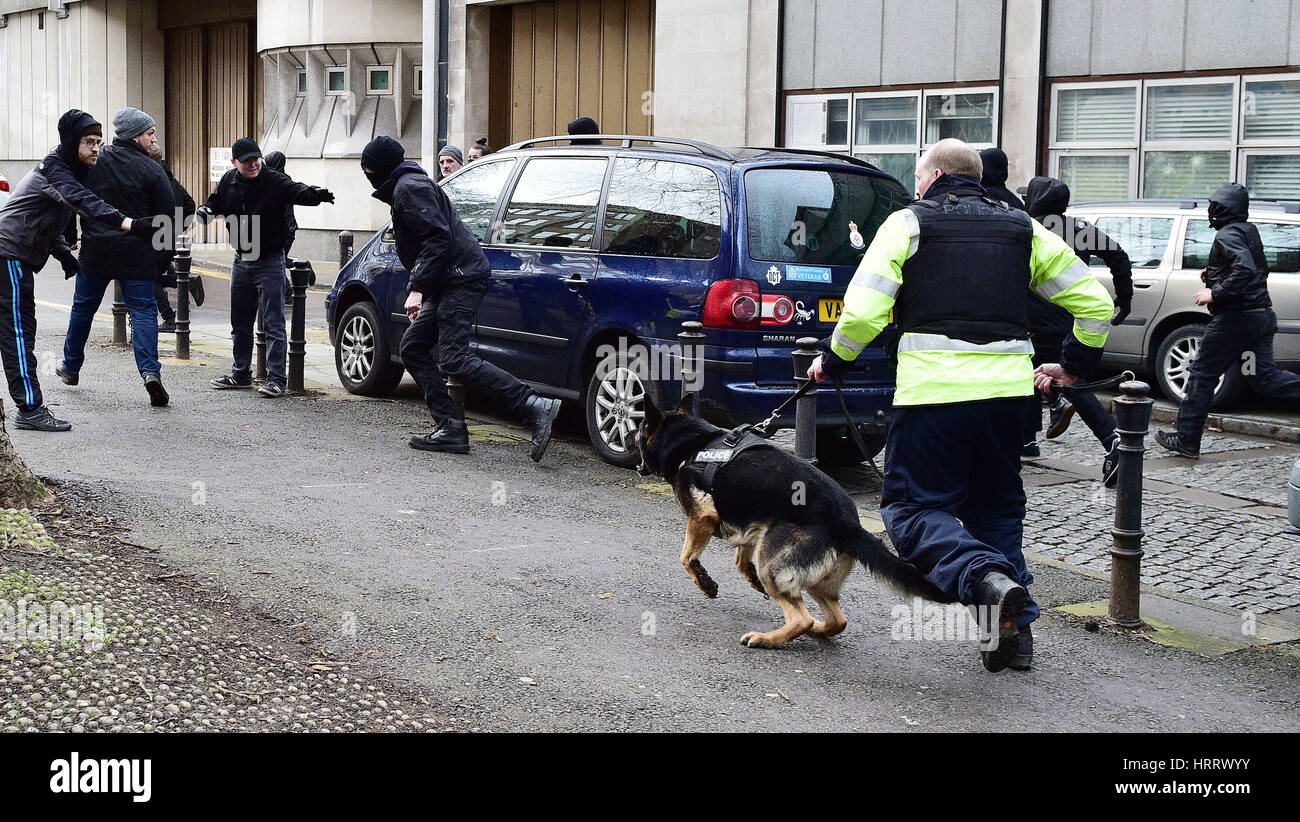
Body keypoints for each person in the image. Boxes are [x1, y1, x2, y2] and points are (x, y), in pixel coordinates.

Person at [807, 139, 1114, 673]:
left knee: (911, 510)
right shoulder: (1023, 229)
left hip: (934, 399)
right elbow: (1095, 302)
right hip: (1006, 404)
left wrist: (835, 360)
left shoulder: (908, 223)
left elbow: (862, 312)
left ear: (933, 176)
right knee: (995, 512)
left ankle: (982, 578)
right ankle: (1014, 634)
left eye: (918, 175)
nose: (917, 184)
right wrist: (1072, 365)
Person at [359, 135, 562, 461]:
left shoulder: (408, 188)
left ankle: (534, 405)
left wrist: (417, 288)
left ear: (376, 169)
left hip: (459, 279)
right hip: (451, 279)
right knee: (412, 347)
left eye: (367, 170)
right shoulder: (410, 184)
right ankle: (450, 427)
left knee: (454, 358)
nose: (366, 175)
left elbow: (437, 238)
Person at [0, 109, 157, 431]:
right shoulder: (55, 170)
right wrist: (129, 223)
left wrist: (61, 253)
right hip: (8, 254)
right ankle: (29, 409)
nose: (96, 148)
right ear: (72, 142)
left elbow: (41, 214)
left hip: (15, 254)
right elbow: (82, 202)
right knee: (17, 332)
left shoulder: (66, 169)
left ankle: (28, 406)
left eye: (99, 142)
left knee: (19, 330)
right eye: (89, 142)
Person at [1156, 184, 1300, 458]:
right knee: (1264, 378)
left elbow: (1244, 269)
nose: (1210, 212)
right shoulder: (1248, 230)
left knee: (1202, 375)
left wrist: (1214, 291)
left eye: (1214, 207)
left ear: (1222, 210)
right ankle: (1187, 439)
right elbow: (1255, 269)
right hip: (1259, 317)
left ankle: (1186, 439)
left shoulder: (1227, 235)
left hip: (1235, 320)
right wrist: (1214, 274)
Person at [197, 138, 334, 398]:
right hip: (241, 259)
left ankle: (276, 379)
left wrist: (314, 195)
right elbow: (215, 201)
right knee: (240, 321)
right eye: (247, 161)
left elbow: (296, 190)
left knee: (273, 323)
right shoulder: (229, 180)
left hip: (270, 259)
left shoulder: (273, 180)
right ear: (234, 162)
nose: (253, 164)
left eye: (256, 159)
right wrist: (206, 210)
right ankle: (240, 374)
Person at [58, 107, 176, 407]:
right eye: (149, 133)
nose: (153, 139)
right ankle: (150, 373)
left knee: (82, 309)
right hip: (138, 254)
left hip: (96, 252)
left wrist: (70, 236)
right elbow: (166, 219)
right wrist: (163, 262)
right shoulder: (152, 170)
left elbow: (73, 199)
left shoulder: (95, 161)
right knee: (144, 313)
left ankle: (71, 367)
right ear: (134, 135)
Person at [1022, 176, 1134, 486]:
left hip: (1037, 318)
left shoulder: (1027, 228)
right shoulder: (1079, 229)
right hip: (1072, 314)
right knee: (1033, 372)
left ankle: (1113, 438)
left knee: (1066, 380)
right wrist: (1123, 299)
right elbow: (1118, 255)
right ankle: (1026, 439)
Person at [146, 143, 198, 332]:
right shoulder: (171, 179)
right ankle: (185, 281)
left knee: (150, 278)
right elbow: (190, 205)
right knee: (156, 276)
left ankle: (169, 318)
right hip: (168, 237)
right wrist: (178, 228)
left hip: (155, 237)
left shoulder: (153, 179)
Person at [262, 151, 296, 306]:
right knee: (277, 260)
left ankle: (288, 293)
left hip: (282, 229)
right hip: (287, 228)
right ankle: (299, 265)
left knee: (276, 261)